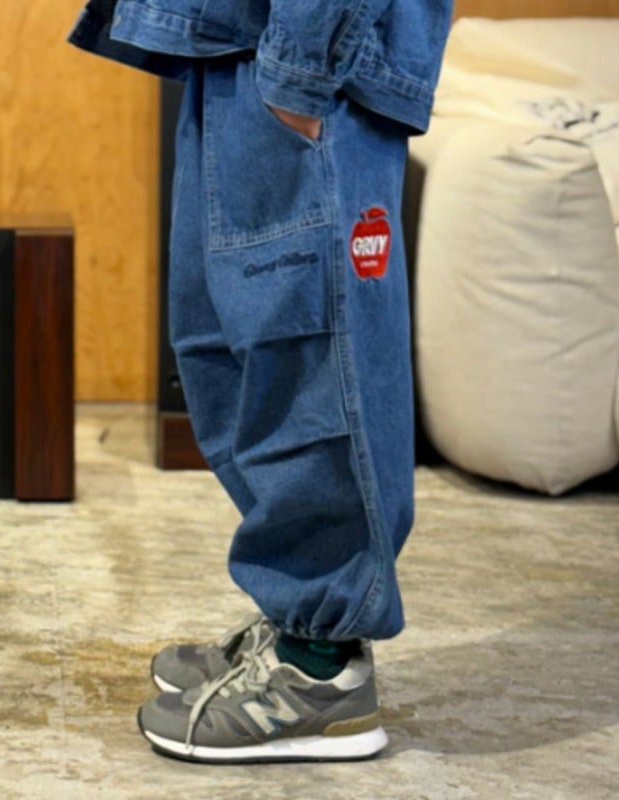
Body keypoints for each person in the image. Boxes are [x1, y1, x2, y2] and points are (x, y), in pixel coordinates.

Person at [69, 0, 453, 764]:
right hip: (238, 41)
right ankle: (297, 618)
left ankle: (320, 672)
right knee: (231, 350)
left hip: (303, 51)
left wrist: (303, 68)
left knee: (309, 357)